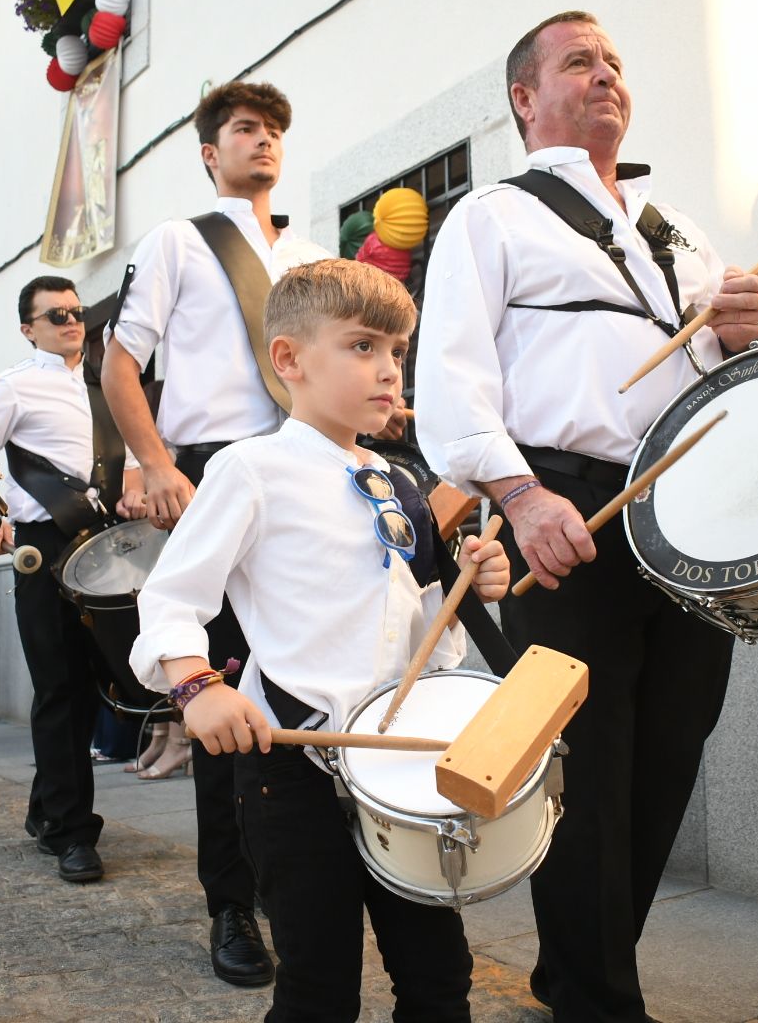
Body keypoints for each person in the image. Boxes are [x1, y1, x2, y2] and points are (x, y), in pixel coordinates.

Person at [414, 12, 758, 1021]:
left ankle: (582, 972)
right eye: (580, 62)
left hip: (689, 514)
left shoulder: (679, 229)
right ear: (525, 99)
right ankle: (599, 1000)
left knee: (670, 751)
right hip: (566, 504)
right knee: (582, 767)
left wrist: (738, 337)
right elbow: (448, 383)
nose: (607, 74)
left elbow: (710, 384)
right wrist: (521, 496)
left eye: (615, 61)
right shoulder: (491, 215)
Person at [130, 259, 510, 1021]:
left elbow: (431, 631)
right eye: (363, 347)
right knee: (319, 986)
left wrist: (478, 577)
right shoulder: (250, 469)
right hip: (294, 771)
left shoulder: (403, 482)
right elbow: (173, 594)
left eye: (397, 352)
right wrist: (196, 685)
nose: (388, 370)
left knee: (439, 978)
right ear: (289, 359)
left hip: (400, 771)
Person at [101, 80, 338, 987]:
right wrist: (156, 463)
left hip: (310, 472)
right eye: (245, 129)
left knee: (311, 676)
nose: (263, 141)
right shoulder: (178, 241)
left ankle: (298, 875)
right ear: (211, 152)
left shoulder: (313, 257)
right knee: (220, 689)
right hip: (213, 468)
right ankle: (230, 901)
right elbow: (122, 364)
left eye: (275, 129)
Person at [0, 274, 144, 881]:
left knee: (100, 682)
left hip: (110, 548)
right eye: (56, 315)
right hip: (44, 549)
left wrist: (138, 493)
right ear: (28, 328)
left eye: (76, 311)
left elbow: (142, 459)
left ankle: (47, 808)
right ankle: (71, 832)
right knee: (60, 688)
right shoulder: (14, 386)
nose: (71, 321)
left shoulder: (111, 387)